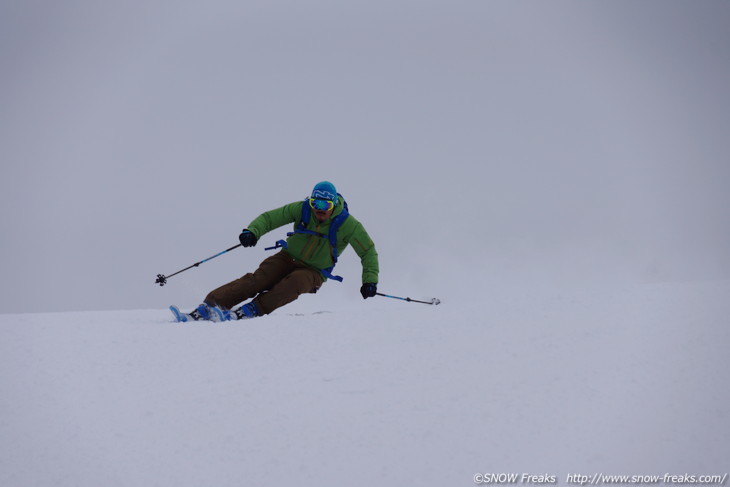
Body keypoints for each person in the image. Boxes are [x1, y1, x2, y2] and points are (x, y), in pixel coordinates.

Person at [171, 181, 379, 322]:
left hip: (315, 271)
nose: (320, 208)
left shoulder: (349, 224)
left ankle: (252, 310)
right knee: (259, 279)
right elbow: (271, 218)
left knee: (294, 283)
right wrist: (252, 231)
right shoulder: (302, 209)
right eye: (316, 202)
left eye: (326, 204)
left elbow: (368, 252)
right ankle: (209, 306)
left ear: (334, 204)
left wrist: (370, 281)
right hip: (288, 256)